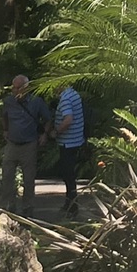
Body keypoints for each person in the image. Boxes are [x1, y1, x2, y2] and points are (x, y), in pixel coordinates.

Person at [3, 73, 50, 208]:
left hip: (29, 144)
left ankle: (27, 207)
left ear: (26, 88)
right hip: (12, 143)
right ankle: (8, 205)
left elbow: (48, 119)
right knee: (7, 176)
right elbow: (4, 116)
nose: (15, 91)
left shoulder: (36, 102)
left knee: (28, 178)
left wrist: (44, 134)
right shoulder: (9, 101)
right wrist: (5, 130)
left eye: (18, 88)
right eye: (13, 88)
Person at [51, 81, 87, 217]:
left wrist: (56, 131)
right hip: (75, 140)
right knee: (69, 175)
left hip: (68, 142)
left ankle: (72, 206)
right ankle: (69, 203)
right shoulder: (73, 94)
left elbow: (68, 119)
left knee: (68, 176)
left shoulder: (65, 98)